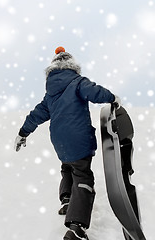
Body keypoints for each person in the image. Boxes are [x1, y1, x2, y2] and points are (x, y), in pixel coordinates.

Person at [14, 46, 121, 240]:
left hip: (59, 141)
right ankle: (77, 227)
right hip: (78, 137)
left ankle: (67, 199)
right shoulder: (77, 82)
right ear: (72, 66)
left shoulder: (50, 94)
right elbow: (95, 92)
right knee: (83, 176)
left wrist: (23, 132)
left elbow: (36, 115)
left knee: (67, 167)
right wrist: (112, 98)